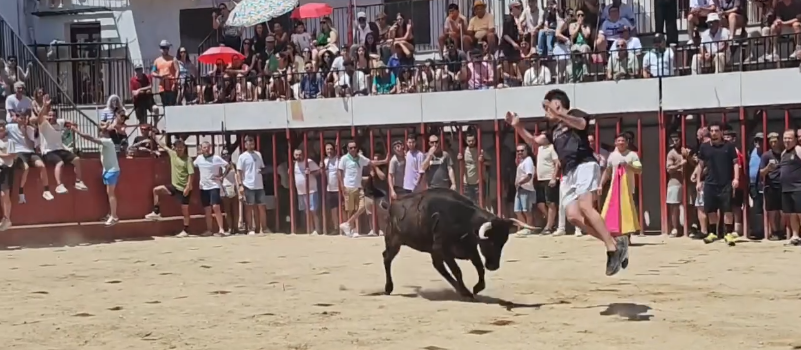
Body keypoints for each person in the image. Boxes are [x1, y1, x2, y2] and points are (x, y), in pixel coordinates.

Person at [506, 88, 628, 276]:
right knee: (573, 217)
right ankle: (615, 241)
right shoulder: (552, 130)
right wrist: (518, 126)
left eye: (547, 107)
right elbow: (534, 141)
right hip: (569, 171)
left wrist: (560, 114)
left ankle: (612, 249)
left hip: (585, 164)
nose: (546, 112)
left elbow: (581, 124)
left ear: (557, 104)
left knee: (586, 207)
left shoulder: (574, 115)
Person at [693, 122, 739, 246]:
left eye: (716, 130)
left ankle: (728, 233)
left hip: (726, 182)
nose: (714, 133)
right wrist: (698, 181)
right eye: (712, 131)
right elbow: (700, 165)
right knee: (711, 210)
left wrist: (736, 178)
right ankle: (712, 233)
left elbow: (735, 163)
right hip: (710, 182)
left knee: (727, 209)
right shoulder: (704, 147)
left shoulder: (729, 146)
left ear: (721, 132)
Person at [144, 133, 195, 237]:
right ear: (175, 148)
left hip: (184, 188)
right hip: (174, 186)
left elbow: (191, 174)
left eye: (181, 147)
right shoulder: (172, 154)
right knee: (156, 190)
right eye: (178, 147)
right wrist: (154, 137)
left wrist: (188, 186)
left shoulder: (188, 159)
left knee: (184, 210)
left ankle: (186, 230)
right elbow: (163, 145)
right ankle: (156, 212)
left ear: (184, 148)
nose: (180, 149)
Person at [71, 125, 120, 227]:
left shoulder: (108, 141)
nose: (100, 133)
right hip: (107, 171)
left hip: (112, 171)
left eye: (102, 131)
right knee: (108, 194)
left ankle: (114, 216)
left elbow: (90, 138)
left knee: (111, 194)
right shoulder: (104, 142)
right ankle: (110, 214)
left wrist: (77, 131)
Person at [35, 101, 88, 194]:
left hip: (60, 149)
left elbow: (71, 122)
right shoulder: (43, 124)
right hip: (48, 151)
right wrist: (44, 105)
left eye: (53, 116)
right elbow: (39, 117)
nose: (51, 117)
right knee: (60, 163)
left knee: (76, 159)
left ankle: (78, 182)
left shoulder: (60, 122)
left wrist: (72, 125)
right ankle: (59, 185)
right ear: (47, 116)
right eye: (49, 115)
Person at [601, 133, 642, 236]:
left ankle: (627, 235)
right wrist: (600, 184)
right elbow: (608, 171)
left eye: (623, 141)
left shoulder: (633, 155)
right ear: (615, 143)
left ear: (627, 143)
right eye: (619, 141)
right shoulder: (612, 155)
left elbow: (639, 170)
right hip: (614, 190)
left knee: (627, 213)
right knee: (614, 212)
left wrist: (628, 166)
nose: (621, 143)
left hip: (629, 189)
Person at [237, 135, 271, 235]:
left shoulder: (258, 154)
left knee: (261, 207)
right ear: (245, 144)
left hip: (259, 185)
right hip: (248, 184)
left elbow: (262, 167)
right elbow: (239, 172)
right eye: (249, 143)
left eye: (252, 143)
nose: (251, 144)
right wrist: (240, 185)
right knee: (249, 208)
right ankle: (251, 228)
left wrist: (262, 171)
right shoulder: (242, 157)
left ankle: (263, 228)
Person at [194, 142, 228, 236]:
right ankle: (209, 230)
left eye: (208, 147)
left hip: (214, 185)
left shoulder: (216, 158)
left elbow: (228, 166)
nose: (206, 149)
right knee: (207, 209)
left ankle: (221, 229)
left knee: (216, 207)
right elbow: (192, 166)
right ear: (201, 148)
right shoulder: (199, 159)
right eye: (204, 147)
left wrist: (221, 177)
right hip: (203, 186)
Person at [759, 132, 784, 241]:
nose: (773, 144)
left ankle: (782, 231)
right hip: (771, 185)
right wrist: (768, 168)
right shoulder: (766, 155)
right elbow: (761, 173)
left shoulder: (784, 154)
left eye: (775, 141)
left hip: (784, 185)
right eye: (771, 142)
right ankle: (775, 232)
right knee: (772, 211)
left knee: (784, 211)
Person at [780, 129, 801, 245]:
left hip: (798, 187)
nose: (787, 140)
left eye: (789, 138)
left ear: (794, 140)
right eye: (785, 138)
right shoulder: (783, 153)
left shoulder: (798, 150)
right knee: (792, 213)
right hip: (786, 188)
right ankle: (795, 236)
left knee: (800, 213)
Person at [665, 133, 686, 237]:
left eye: (676, 139)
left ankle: (690, 227)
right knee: (674, 206)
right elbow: (668, 169)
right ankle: (675, 228)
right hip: (675, 181)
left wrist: (688, 157)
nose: (674, 142)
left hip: (688, 181)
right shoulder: (671, 153)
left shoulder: (686, 150)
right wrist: (680, 164)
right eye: (672, 140)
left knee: (691, 206)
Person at [513, 143, 536, 236]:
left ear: (527, 151)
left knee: (526, 210)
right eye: (518, 151)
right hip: (520, 189)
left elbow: (529, 175)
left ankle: (529, 228)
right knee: (517, 210)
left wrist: (519, 183)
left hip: (526, 188)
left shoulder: (528, 161)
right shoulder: (522, 161)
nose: (520, 152)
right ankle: (524, 227)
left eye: (522, 150)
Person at [0, 120, 14, 230]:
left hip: (6, 168)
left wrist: (2, 154)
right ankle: (5, 218)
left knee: (6, 194)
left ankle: (7, 218)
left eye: (2, 126)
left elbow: (12, 155)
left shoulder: (10, 141)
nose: (1, 128)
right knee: (2, 195)